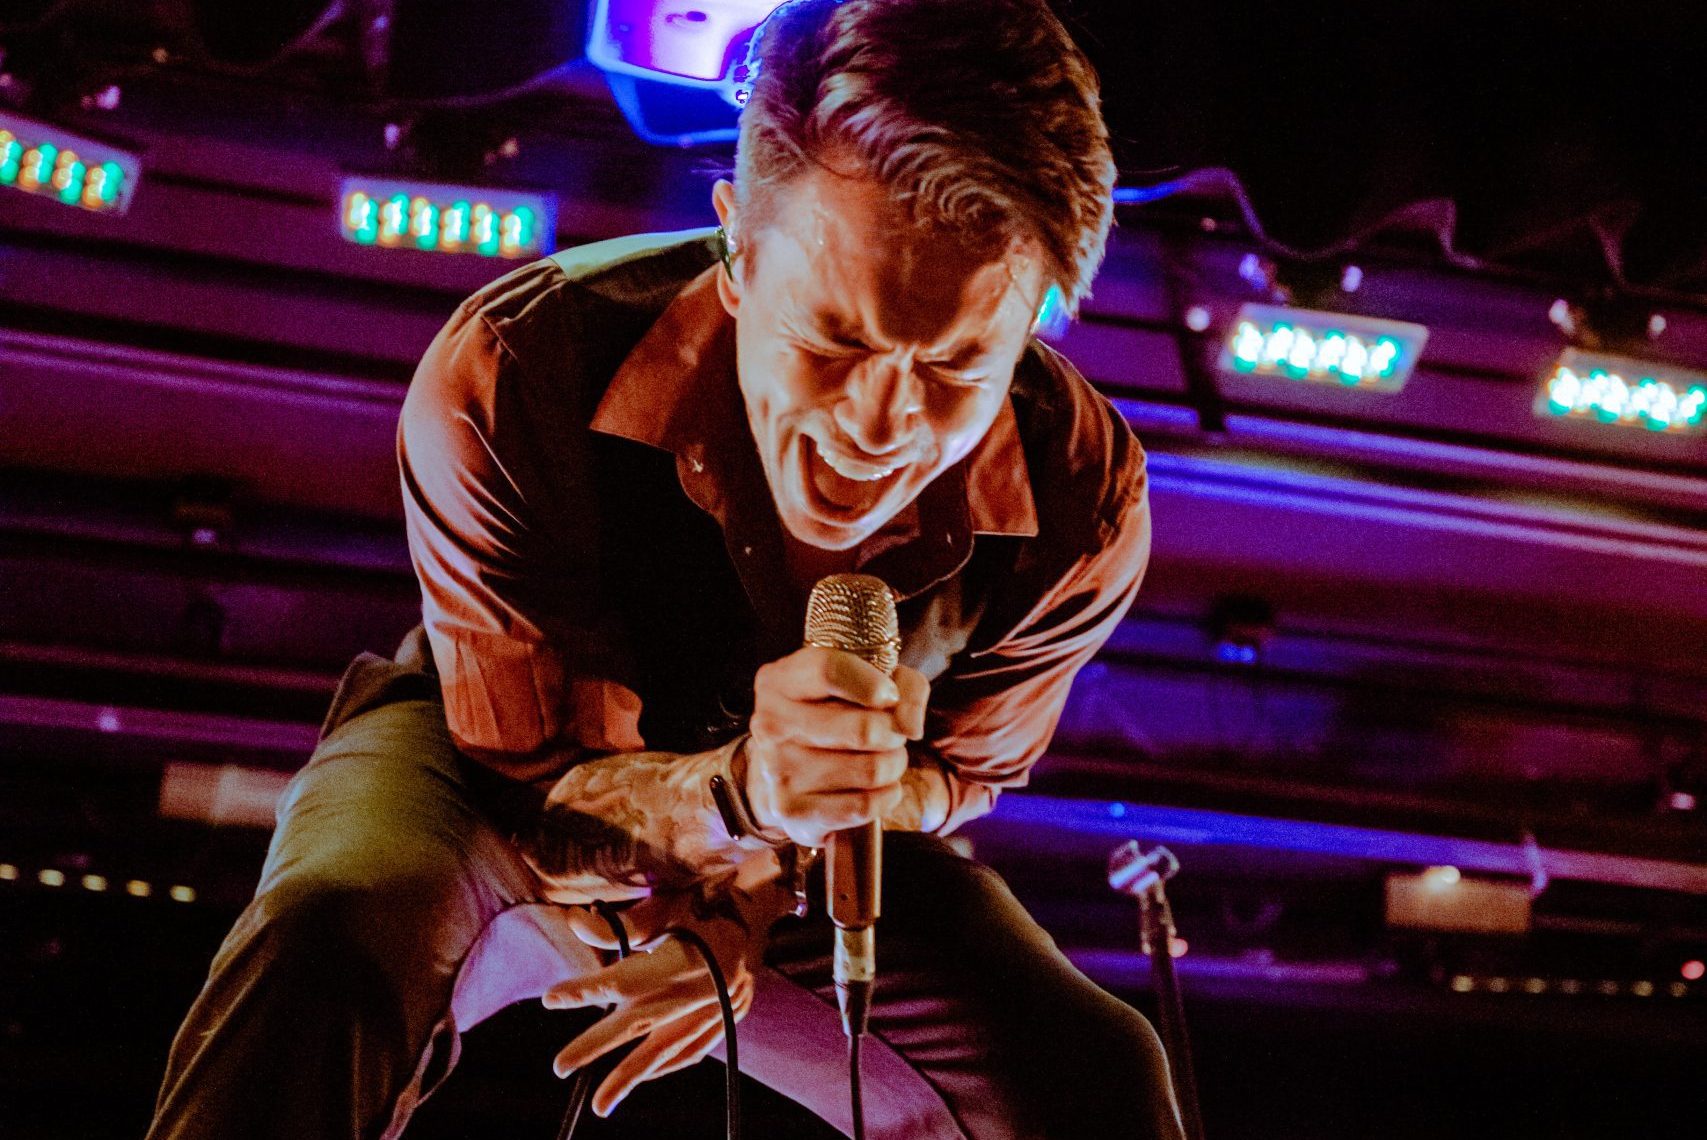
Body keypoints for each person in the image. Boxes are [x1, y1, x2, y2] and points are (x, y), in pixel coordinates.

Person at [146, 1, 1181, 1137]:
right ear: (738, 250)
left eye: (956, 368)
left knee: (1090, 1065)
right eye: (834, 340)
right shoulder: (518, 364)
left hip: (799, 847)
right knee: (337, 930)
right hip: (497, 777)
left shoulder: (1083, 500)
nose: (882, 423)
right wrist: (741, 804)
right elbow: (533, 787)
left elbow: (957, 773)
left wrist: (784, 853)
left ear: (1033, 323)